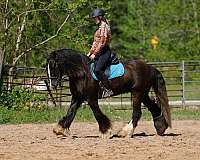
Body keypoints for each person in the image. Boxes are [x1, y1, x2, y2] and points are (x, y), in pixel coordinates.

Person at [87, 8, 113, 97]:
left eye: (95, 18)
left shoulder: (104, 27)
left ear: (100, 17)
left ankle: (108, 89)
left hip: (104, 51)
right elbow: (95, 42)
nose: (94, 20)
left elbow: (102, 42)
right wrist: (90, 52)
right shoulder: (99, 27)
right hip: (99, 52)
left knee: (97, 70)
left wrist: (95, 53)